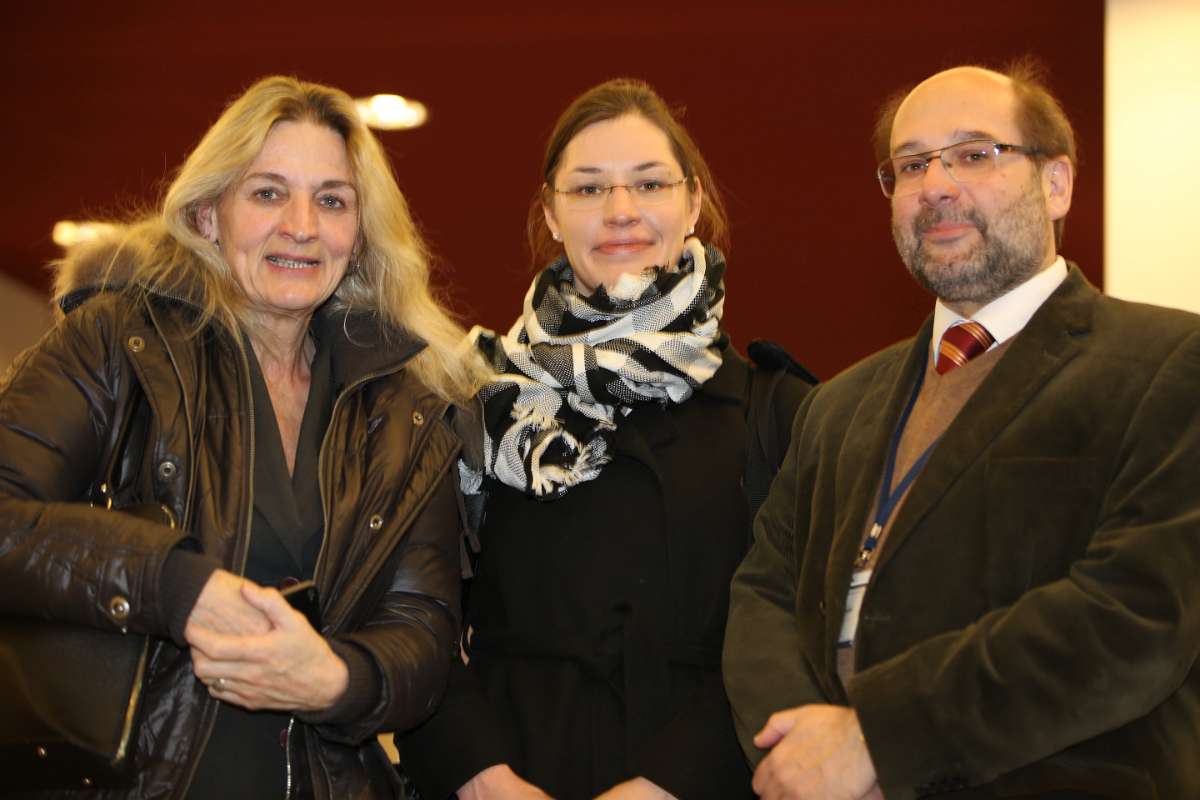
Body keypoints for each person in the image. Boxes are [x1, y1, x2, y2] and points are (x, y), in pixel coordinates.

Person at [723, 60, 1200, 800]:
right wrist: (806, 756)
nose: (936, 185)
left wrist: (880, 742)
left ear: (1057, 183)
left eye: (975, 154)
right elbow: (764, 594)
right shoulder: (836, 405)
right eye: (911, 165)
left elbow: (1136, 614)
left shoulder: (1170, 365)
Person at [0, 76, 482, 798]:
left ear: (359, 236)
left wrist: (338, 679)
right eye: (267, 193)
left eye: (332, 201)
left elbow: (424, 627)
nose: (301, 226)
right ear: (207, 215)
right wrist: (174, 585)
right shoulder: (117, 342)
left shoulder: (402, 407)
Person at [397, 78, 814, 800]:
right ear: (551, 214)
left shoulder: (777, 413)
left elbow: (797, 633)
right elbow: (412, 620)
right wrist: (482, 776)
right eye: (589, 189)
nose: (620, 210)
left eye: (649, 184)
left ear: (692, 204)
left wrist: (668, 786)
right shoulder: (477, 406)